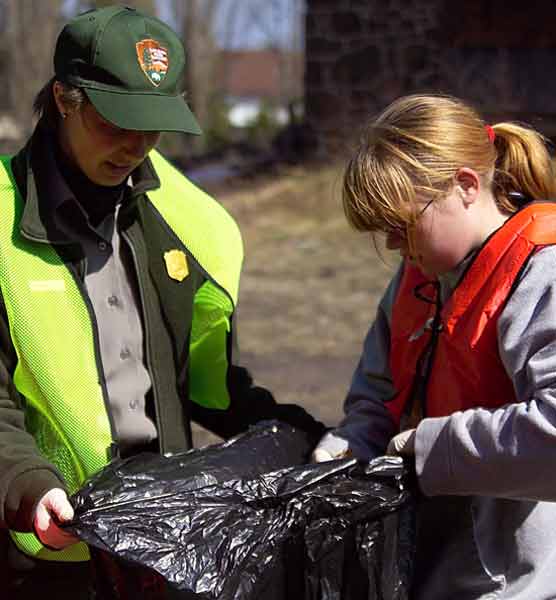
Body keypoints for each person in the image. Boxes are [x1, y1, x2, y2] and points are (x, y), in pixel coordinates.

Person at [0, 5, 323, 597]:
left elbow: (206, 381)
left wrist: (309, 434)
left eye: (152, 127)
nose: (135, 147)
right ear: (65, 99)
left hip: (164, 544)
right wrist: (28, 483)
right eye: (117, 123)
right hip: (46, 555)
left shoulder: (190, 221)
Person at [312, 93, 556, 598]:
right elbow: (376, 399)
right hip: (426, 570)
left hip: (513, 585)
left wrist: (430, 446)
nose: (396, 247)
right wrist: (345, 450)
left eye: (401, 227)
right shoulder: (416, 277)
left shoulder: (542, 274)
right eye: (385, 234)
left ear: (465, 185)